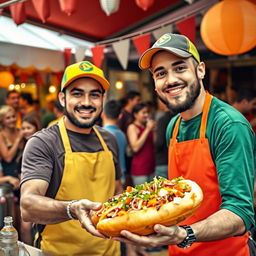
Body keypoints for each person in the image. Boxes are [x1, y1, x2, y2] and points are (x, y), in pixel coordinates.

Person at [112, 33, 255, 256]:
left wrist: (185, 234)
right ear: (155, 84)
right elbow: (175, 199)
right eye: (161, 73)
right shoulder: (174, 126)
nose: (170, 80)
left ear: (200, 70)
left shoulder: (228, 125)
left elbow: (240, 213)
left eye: (180, 68)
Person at [20, 61, 122, 256]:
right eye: (77, 94)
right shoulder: (44, 142)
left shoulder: (109, 139)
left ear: (103, 99)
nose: (86, 102)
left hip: (110, 250)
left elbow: (116, 189)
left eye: (94, 94)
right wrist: (72, 209)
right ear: (62, 98)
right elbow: (28, 205)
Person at [127, 103, 155, 186]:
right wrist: (147, 130)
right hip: (140, 169)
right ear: (135, 114)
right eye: (143, 112)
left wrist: (154, 130)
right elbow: (135, 148)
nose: (146, 115)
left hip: (151, 166)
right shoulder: (132, 127)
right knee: (143, 195)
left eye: (147, 112)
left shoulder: (146, 127)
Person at [102, 100, 127, 186]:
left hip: (107, 180)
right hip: (122, 178)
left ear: (102, 114)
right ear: (120, 116)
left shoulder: (100, 135)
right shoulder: (122, 135)